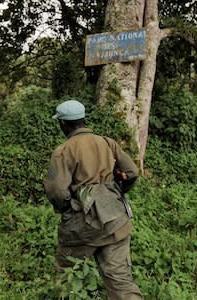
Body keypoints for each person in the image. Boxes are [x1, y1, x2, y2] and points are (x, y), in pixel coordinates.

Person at [44, 99, 143, 300]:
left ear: (63, 124)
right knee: (120, 280)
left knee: (66, 276)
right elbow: (132, 172)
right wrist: (119, 188)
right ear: (82, 119)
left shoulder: (63, 151)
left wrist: (67, 209)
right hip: (115, 218)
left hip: (82, 223)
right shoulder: (107, 142)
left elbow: (56, 190)